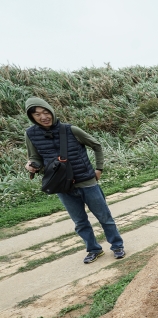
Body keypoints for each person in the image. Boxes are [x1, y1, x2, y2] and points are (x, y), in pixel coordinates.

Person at [24, 97, 124, 264]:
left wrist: (99, 169)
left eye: (46, 112)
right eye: (37, 114)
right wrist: (32, 165)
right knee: (79, 222)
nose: (43, 117)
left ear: (52, 111)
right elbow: (35, 157)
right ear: (32, 117)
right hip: (61, 185)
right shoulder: (31, 134)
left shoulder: (71, 130)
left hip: (86, 181)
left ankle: (117, 245)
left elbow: (96, 145)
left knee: (104, 217)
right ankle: (93, 249)